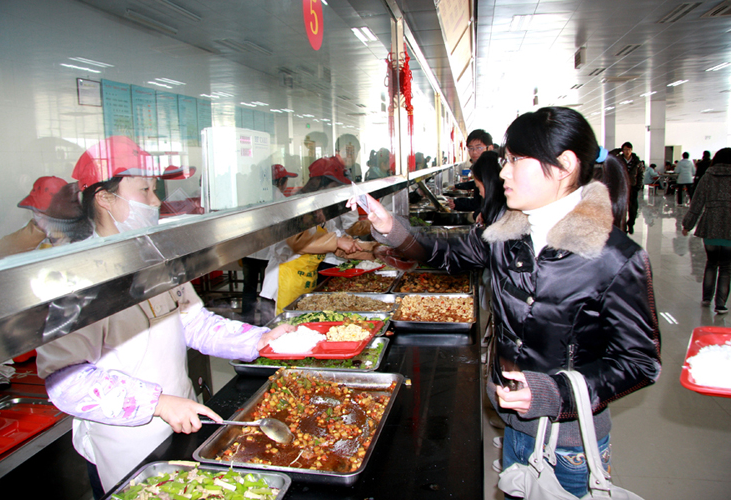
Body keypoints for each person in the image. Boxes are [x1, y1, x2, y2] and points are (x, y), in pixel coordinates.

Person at [351, 107, 661, 498]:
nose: (503, 173)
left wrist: (555, 392)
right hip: (513, 424)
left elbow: (640, 362)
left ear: (564, 165)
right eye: (505, 160)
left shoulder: (615, 258)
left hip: (570, 442)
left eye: (515, 161)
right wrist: (388, 227)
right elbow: (446, 255)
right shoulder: (509, 234)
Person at [35, 136, 293, 496]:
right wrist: (155, 403)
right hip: (126, 442)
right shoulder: (79, 277)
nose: (156, 201)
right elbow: (64, 379)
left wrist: (256, 339)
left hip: (182, 420)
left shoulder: (154, 255)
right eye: (145, 190)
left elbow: (192, 321)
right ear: (105, 198)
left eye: (155, 189)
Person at [261, 156, 370, 314]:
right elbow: (297, 242)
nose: (335, 192)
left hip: (305, 285)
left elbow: (336, 245)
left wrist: (372, 250)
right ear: (318, 182)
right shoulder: (294, 206)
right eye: (334, 186)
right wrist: (338, 242)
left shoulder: (321, 211)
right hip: (280, 287)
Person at [241, 164, 298, 321]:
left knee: (249, 289)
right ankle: (265, 325)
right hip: (267, 253)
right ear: (281, 182)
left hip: (248, 250)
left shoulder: (253, 196)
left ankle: (247, 323)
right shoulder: (281, 200)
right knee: (266, 292)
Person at [682, 148, 731, 314]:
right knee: (726, 266)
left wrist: (687, 225)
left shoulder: (708, 176)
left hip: (710, 225)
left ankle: (706, 298)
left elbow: (696, 203)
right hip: (729, 228)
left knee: (711, 263)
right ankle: (720, 304)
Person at [0, 176, 93, 257]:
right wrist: (35, 233)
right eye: (37, 212)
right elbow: (2, 252)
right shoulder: (34, 227)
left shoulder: (85, 233)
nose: (40, 219)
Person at [618, 141, 643, 234]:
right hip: (621, 188)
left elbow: (640, 174)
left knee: (633, 209)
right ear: (622, 150)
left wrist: (638, 186)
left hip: (632, 187)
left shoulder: (637, 162)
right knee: (622, 209)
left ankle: (631, 223)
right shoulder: (618, 160)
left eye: (628, 149)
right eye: (625, 149)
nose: (627, 151)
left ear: (631, 150)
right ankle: (623, 227)